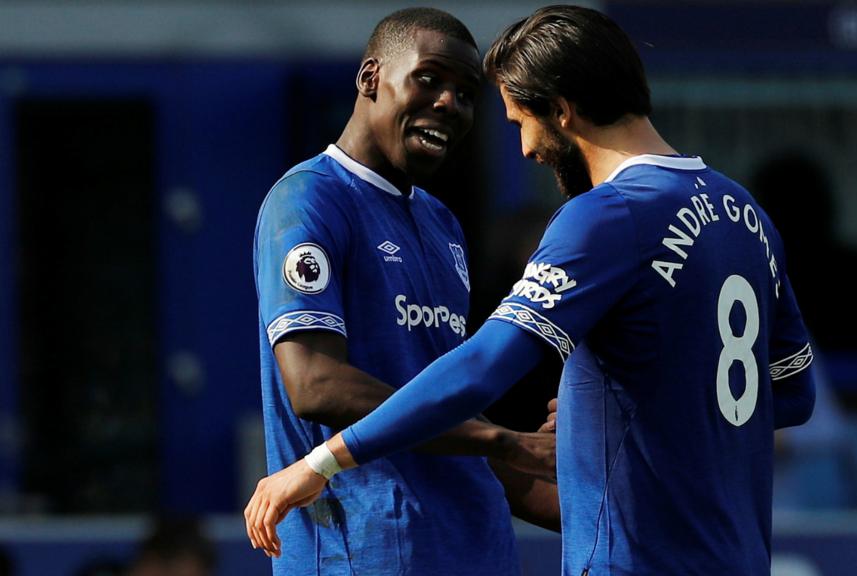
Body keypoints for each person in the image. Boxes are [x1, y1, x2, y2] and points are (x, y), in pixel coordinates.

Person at [247, 6, 815, 575]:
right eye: (431, 80)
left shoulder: (604, 214)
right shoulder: (746, 214)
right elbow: (790, 393)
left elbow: (482, 369)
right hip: (727, 551)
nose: (523, 150)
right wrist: (612, 428)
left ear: (563, 112)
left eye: (519, 121)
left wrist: (320, 461)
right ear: (370, 77)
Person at [248, 7, 558, 575]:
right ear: (371, 79)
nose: (449, 103)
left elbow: (449, 412)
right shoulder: (308, 201)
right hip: (367, 552)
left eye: (466, 94)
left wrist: (586, 493)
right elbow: (316, 385)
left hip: (476, 547)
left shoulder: (443, 225)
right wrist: (505, 439)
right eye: (430, 78)